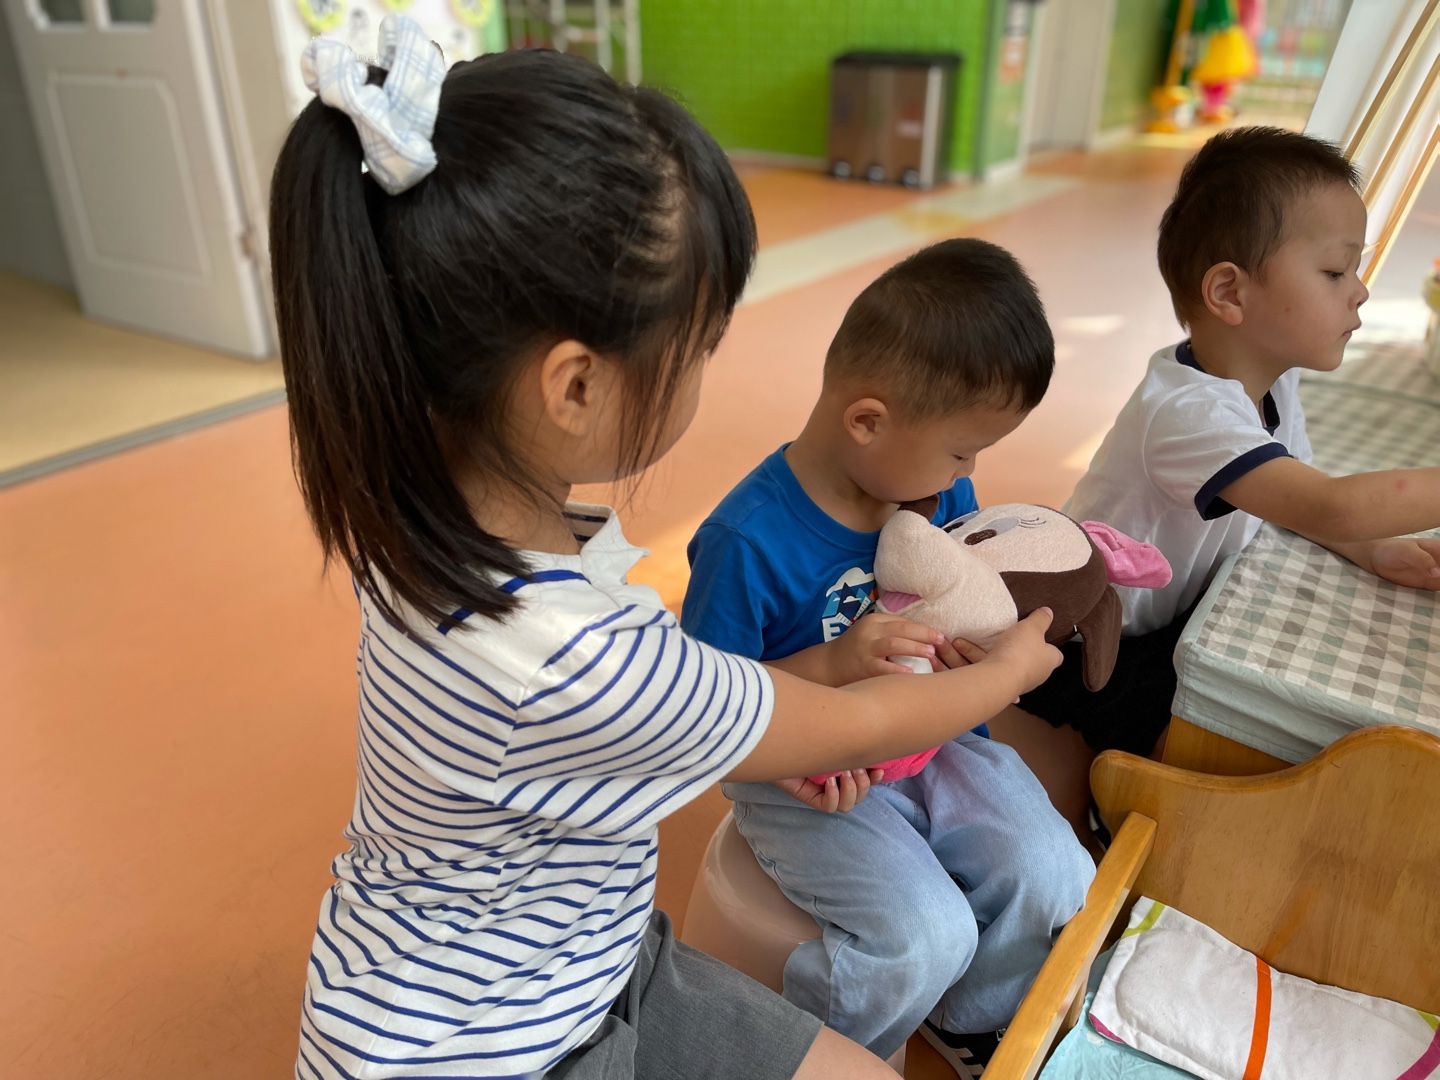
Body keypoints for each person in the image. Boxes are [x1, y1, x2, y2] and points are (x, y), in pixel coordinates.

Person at [271, 19, 1064, 1080]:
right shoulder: (577, 659)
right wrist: (1009, 671)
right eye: (697, 346)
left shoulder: (429, 523)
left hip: (585, 944)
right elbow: (863, 724)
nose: (703, 374)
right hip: (484, 1049)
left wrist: (841, 662)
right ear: (575, 387)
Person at [681, 239, 1095, 1075]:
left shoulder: (932, 491)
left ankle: (969, 1020)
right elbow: (705, 709)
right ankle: (830, 1050)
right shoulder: (745, 540)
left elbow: (966, 592)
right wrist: (833, 667)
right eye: (961, 451)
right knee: (924, 934)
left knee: (1055, 869)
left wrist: (984, 647)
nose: (968, 474)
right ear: (867, 421)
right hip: (807, 778)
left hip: (929, 743)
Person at [1021, 126, 1440, 779]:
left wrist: (1370, 549)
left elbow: (1298, 498)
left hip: (1168, 615)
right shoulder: (1188, 413)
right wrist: (1355, 529)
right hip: (1088, 646)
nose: (1359, 290)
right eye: (1336, 271)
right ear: (1229, 293)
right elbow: (1333, 505)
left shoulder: (1271, 380)